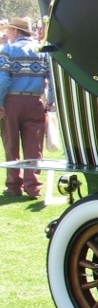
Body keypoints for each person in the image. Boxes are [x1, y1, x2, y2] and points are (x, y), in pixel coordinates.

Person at [0, 17, 53, 199]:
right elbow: (52, 78)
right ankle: (33, 187)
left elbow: (3, 80)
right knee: (34, 145)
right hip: (35, 101)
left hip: (12, 101)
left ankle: (14, 185)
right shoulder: (42, 50)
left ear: (15, 31)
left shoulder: (8, 49)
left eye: (8, 31)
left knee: (11, 143)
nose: (7, 34)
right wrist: (51, 100)